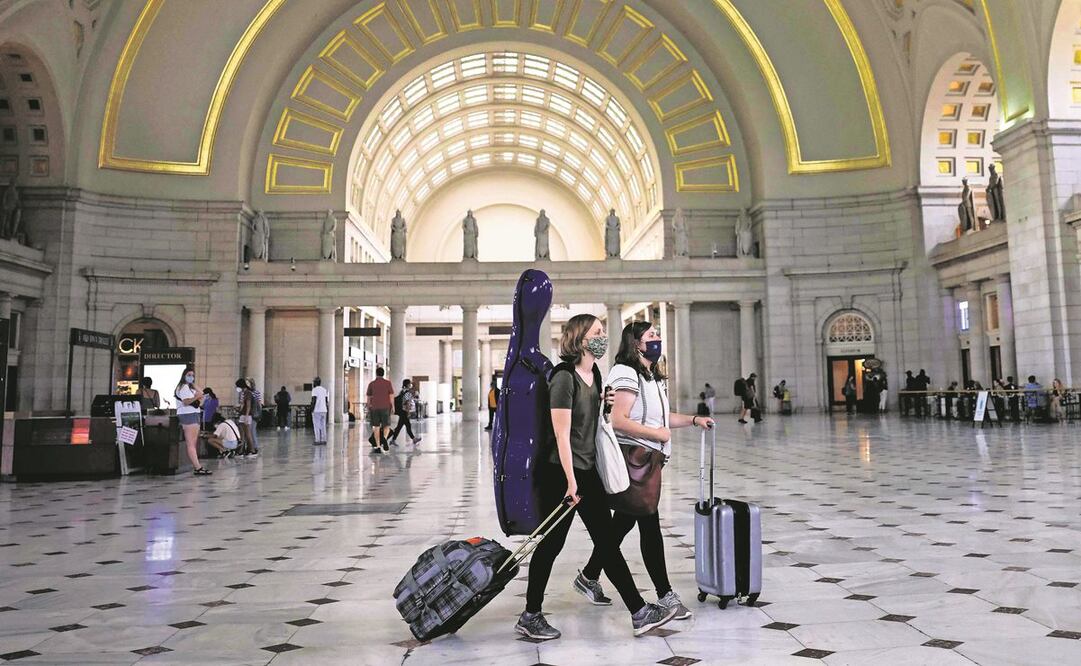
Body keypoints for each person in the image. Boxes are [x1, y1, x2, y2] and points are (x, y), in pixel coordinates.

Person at [516, 314, 676, 641]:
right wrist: (571, 483)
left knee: (606, 541)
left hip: (586, 471)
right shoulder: (564, 378)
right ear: (580, 338)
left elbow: (594, 426)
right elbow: (561, 436)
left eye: (603, 331)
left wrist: (605, 407)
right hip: (560, 474)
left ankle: (639, 612)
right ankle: (530, 614)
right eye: (597, 332)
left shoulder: (596, 375)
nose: (603, 336)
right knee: (551, 546)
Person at [578, 321, 715, 622]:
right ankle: (666, 596)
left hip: (647, 462)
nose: (658, 339)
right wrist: (657, 435)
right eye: (651, 336)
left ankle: (589, 575)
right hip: (634, 461)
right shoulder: (625, 372)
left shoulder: (650, 376)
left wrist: (694, 420)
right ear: (635, 343)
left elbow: (663, 418)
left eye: (657, 335)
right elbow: (618, 419)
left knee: (624, 523)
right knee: (649, 526)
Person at [176, 368, 210, 475]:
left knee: (193, 443)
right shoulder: (183, 387)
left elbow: (201, 394)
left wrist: (194, 386)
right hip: (188, 415)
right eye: (189, 375)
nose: (191, 377)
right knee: (191, 443)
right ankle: (197, 467)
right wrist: (196, 398)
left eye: (193, 375)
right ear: (184, 375)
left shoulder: (189, 387)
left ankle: (197, 466)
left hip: (193, 414)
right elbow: (186, 402)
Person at [366, 367, 395, 453]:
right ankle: (384, 438)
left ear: (376, 373)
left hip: (374, 407)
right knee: (387, 425)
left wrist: (368, 407)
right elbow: (391, 396)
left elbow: (368, 397)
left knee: (376, 426)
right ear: (383, 373)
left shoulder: (371, 384)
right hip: (386, 407)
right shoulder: (388, 383)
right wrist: (393, 407)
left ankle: (378, 446)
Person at [390, 378, 422, 445]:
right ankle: (414, 439)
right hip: (404, 411)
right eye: (410, 383)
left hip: (401, 411)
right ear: (407, 384)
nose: (411, 384)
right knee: (407, 426)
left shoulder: (402, 391)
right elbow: (407, 403)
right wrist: (408, 412)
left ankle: (392, 440)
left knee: (399, 427)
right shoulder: (408, 393)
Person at [235, 378, 258, 457]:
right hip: (243, 414)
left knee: (248, 434)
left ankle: (252, 450)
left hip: (246, 415)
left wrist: (246, 417)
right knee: (242, 434)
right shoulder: (244, 393)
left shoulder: (248, 393)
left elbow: (248, 406)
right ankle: (241, 450)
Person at [310, 376, 329, 445]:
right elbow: (326, 401)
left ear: (315, 383)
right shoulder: (324, 390)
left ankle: (317, 440)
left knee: (316, 425)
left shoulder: (314, 390)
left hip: (317, 410)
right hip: (324, 410)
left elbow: (314, 400)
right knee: (323, 425)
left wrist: (311, 409)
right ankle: (324, 440)